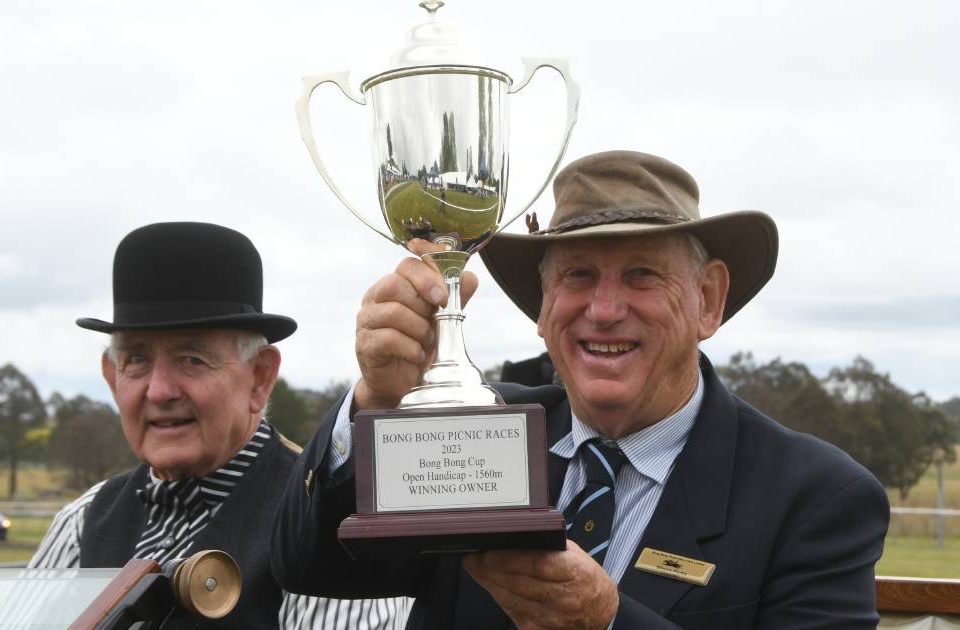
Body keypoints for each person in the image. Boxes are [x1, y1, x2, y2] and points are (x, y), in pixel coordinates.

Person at [271, 151, 890, 628]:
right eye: (578, 275)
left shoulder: (813, 498)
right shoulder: (476, 431)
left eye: (642, 274)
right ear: (543, 308)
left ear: (708, 301)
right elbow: (308, 565)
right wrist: (378, 403)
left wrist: (608, 621)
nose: (603, 309)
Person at [29, 222, 410, 629]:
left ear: (260, 377)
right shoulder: (82, 522)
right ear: (111, 376)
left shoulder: (323, 531)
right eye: (136, 359)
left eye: (192, 358)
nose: (159, 391)